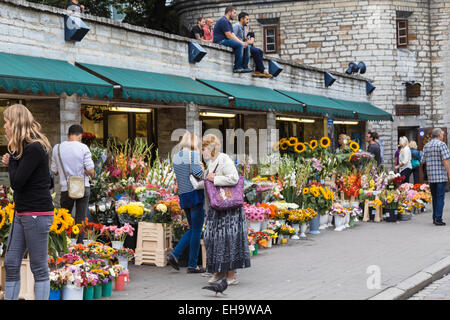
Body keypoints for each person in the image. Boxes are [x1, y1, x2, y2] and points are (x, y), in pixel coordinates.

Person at [1, 104, 54, 300]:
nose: (4, 126)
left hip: (36, 214)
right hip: (23, 213)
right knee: (12, 262)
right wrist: (14, 157)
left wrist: (13, 158)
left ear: (15, 123)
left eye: (6, 122)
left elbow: (17, 182)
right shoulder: (25, 149)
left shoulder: (34, 148)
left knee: (38, 267)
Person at [202, 134, 250, 285]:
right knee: (214, 239)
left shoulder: (224, 159)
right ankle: (218, 271)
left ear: (211, 148)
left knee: (228, 240)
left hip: (229, 209)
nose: (201, 152)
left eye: (203, 148)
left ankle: (230, 276)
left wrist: (214, 179)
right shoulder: (212, 162)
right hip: (217, 208)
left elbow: (234, 178)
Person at [168, 132, 206, 273]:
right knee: (196, 230)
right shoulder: (193, 155)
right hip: (195, 194)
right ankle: (192, 264)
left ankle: (177, 255)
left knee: (192, 229)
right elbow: (199, 174)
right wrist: (203, 169)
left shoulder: (176, 157)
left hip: (184, 195)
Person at [51, 124, 95, 243]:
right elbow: (91, 170)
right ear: (80, 136)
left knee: (64, 217)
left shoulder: (57, 148)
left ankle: (64, 243)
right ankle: (79, 245)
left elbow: (54, 171)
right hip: (83, 187)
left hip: (66, 188)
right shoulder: (83, 147)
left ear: (68, 135)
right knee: (80, 218)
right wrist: (85, 171)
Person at [421, 128, 450, 226]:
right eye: (442, 135)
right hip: (441, 176)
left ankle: (435, 217)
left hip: (431, 176)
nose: (443, 136)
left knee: (435, 197)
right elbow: (445, 161)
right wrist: (449, 173)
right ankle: (438, 218)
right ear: (439, 135)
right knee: (440, 197)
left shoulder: (426, 146)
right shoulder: (442, 145)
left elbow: (422, 161)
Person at [232, 12, 272, 78]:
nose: (248, 21)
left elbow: (243, 38)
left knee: (260, 51)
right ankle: (261, 70)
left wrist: (245, 39)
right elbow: (232, 36)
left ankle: (258, 71)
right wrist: (242, 42)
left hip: (244, 45)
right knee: (256, 51)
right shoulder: (236, 26)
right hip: (239, 45)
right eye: (247, 19)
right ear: (242, 19)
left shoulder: (244, 28)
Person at [213, 6, 252, 73]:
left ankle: (245, 67)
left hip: (226, 40)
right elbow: (228, 35)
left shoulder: (228, 23)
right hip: (220, 41)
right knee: (239, 46)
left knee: (247, 46)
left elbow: (233, 34)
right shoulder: (223, 20)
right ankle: (237, 67)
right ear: (229, 12)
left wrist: (242, 42)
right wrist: (241, 43)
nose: (235, 15)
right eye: (234, 13)